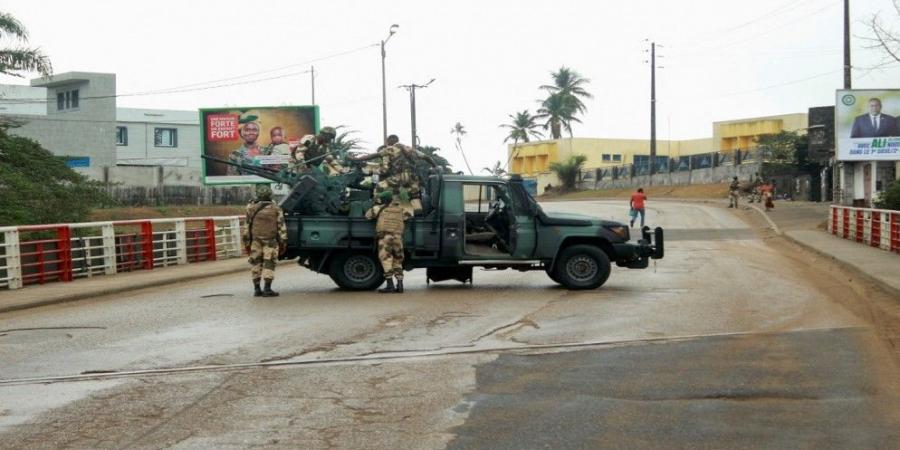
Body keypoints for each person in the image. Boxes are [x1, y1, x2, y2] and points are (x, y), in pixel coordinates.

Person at [243, 184, 287, 297]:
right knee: (269, 263)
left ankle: (257, 289)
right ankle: (267, 289)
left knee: (255, 263)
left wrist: (246, 242)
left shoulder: (250, 208)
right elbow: (281, 226)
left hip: (255, 240)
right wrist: (283, 242)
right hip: (271, 241)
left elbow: (247, 226)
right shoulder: (276, 208)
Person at [366, 192, 412, 293]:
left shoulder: (379, 208)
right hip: (398, 238)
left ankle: (390, 285)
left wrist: (375, 206)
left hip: (385, 238)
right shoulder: (401, 209)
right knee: (398, 260)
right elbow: (409, 215)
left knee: (386, 259)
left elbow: (368, 215)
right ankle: (400, 285)